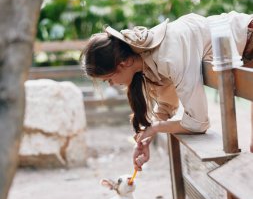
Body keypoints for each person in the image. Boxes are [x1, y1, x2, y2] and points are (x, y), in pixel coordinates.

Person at [80, 11, 253, 170]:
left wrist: (155, 128)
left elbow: (198, 123)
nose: (111, 84)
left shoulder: (168, 56)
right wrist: (146, 139)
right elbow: (166, 106)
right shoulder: (147, 61)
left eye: (108, 79)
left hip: (248, 39)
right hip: (243, 51)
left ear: (123, 63)